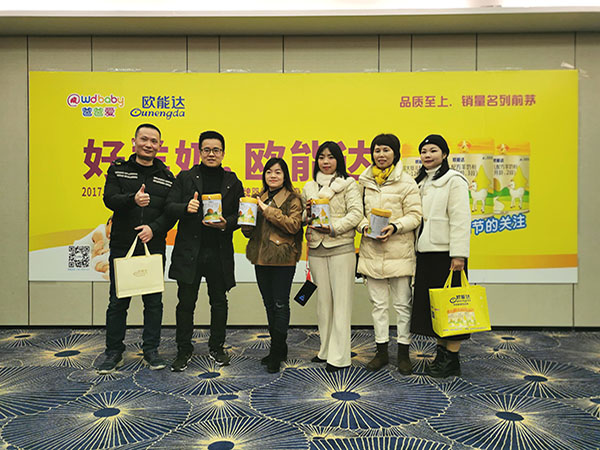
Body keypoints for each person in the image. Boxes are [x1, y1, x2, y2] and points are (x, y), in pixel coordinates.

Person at [98, 123, 175, 374]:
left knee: (153, 302)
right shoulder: (119, 170)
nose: (148, 145)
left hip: (153, 245)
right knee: (118, 301)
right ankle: (113, 352)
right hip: (123, 245)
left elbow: (170, 212)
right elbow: (109, 199)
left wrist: (154, 228)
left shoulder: (167, 176)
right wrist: (133, 199)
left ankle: (151, 350)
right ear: (134, 142)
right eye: (144, 139)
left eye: (154, 141)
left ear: (160, 145)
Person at [166, 130, 244, 372]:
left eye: (216, 150)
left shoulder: (232, 181)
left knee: (219, 302)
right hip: (191, 251)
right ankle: (183, 349)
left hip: (218, 251)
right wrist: (185, 207)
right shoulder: (185, 177)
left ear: (223, 153)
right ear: (200, 152)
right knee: (185, 303)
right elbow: (169, 206)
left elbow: (241, 215)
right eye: (207, 149)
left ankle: (217, 346)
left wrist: (227, 223)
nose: (212, 154)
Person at [357, 133, 422, 374]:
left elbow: (415, 215)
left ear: (395, 153)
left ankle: (403, 353)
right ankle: (381, 352)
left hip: (399, 253)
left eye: (386, 150)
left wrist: (395, 226)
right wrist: (364, 227)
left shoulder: (407, 182)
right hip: (371, 251)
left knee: (403, 306)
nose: (381, 155)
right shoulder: (364, 181)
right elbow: (357, 213)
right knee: (378, 306)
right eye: (377, 150)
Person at [410, 134, 471, 378]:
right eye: (424, 151)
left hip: (447, 255)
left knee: (453, 308)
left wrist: (459, 255)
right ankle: (442, 356)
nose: (427, 155)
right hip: (426, 252)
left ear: (444, 154)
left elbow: (461, 219)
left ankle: (451, 358)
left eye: (433, 150)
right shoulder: (421, 181)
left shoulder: (454, 180)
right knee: (436, 308)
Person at [301, 142, 363, 372]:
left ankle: (339, 357)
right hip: (316, 248)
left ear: (339, 160)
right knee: (323, 303)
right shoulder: (309, 186)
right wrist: (307, 215)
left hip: (341, 248)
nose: (326, 162)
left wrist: (334, 228)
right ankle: (325, 350)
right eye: (321, 157)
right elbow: (302, 217)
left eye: (331, 157)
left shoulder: (348, 184)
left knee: (341, 304)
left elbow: (356, 214)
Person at [241, 158, 303, 373]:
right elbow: (250, 230)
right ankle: (279, 347)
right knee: (269, 304)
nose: (273, 176)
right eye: (269, 172)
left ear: (285, 176)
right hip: (260, 258)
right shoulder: (258, 197)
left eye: (278, 172)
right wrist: (246, 223)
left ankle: (277, 351)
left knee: (280, 304)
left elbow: (294, 225)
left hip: (283, 258)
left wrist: (267, 210)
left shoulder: (294, 198)